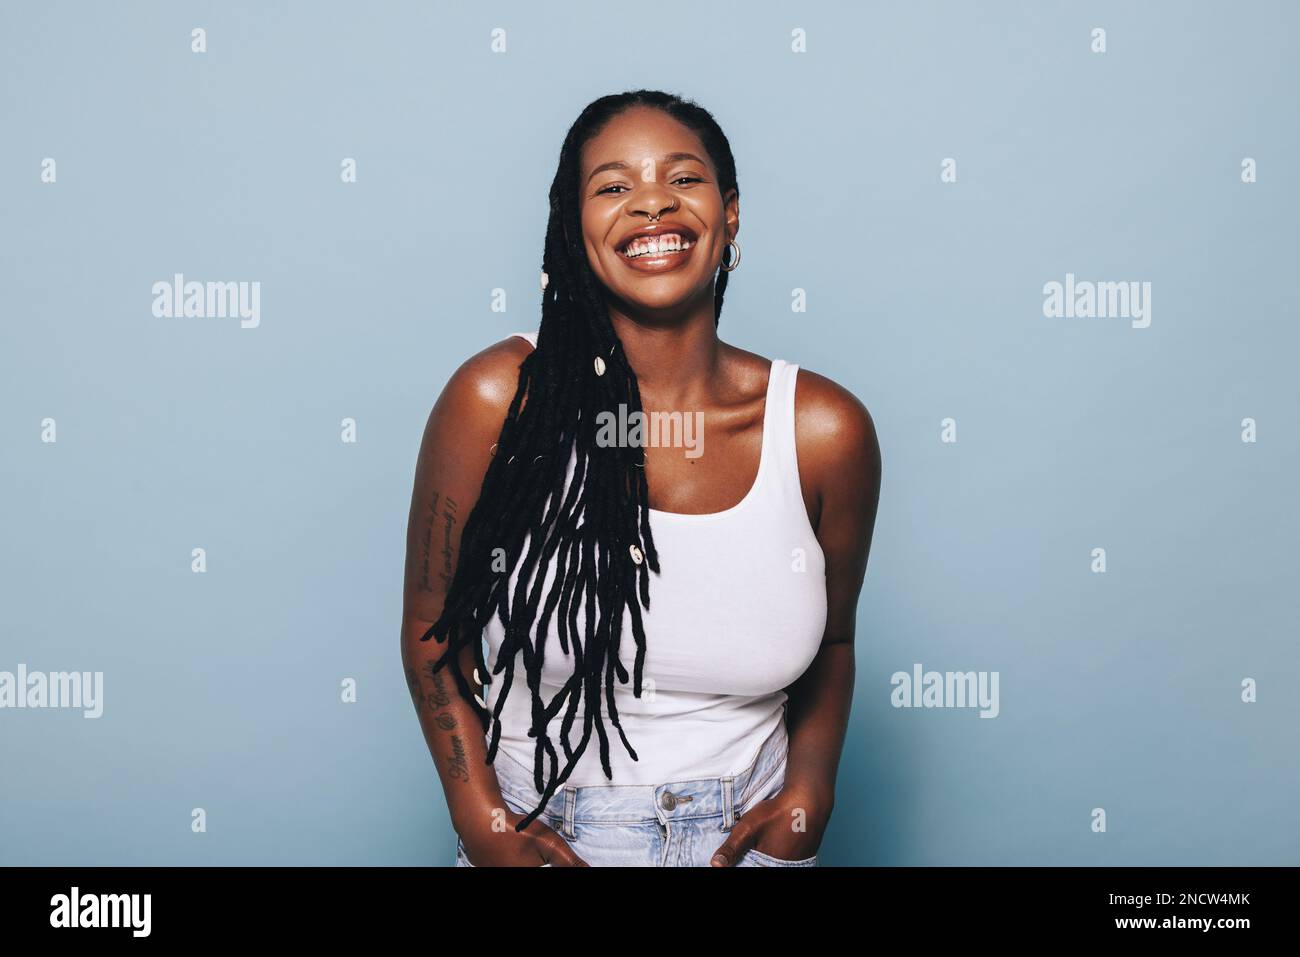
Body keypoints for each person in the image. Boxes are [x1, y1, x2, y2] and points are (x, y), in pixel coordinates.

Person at [400, 89, 881, 866]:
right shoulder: (495, 401)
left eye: (682, 180)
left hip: (748, 839)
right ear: (572, 226)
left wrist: (810, 793)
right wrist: (480, 819)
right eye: (614, 187)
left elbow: (835, 638)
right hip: (544, 834)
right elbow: (432, 634)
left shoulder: (823, 430)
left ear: (730, 217)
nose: (651, 204)